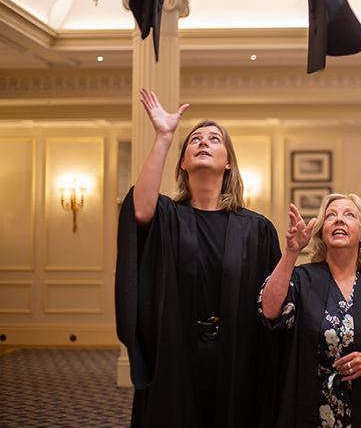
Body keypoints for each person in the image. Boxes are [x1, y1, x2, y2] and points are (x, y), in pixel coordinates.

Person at [115, 89, 281, 428]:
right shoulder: (167, 216)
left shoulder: (257, 229)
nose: (203, 143)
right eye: (195, 141)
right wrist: (164, 135)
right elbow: (139, 210)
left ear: (229, 162)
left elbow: (273, 307)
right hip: (175, 355)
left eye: (214, 139)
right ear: (183, 162)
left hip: (238, 359)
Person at [260, 194, 361, 428]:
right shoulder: (301, 281)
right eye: (331, 216)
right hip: (309, 412)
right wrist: (291, 253)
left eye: (349, 215)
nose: (339, 220)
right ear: (322, 233)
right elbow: (269, 311)